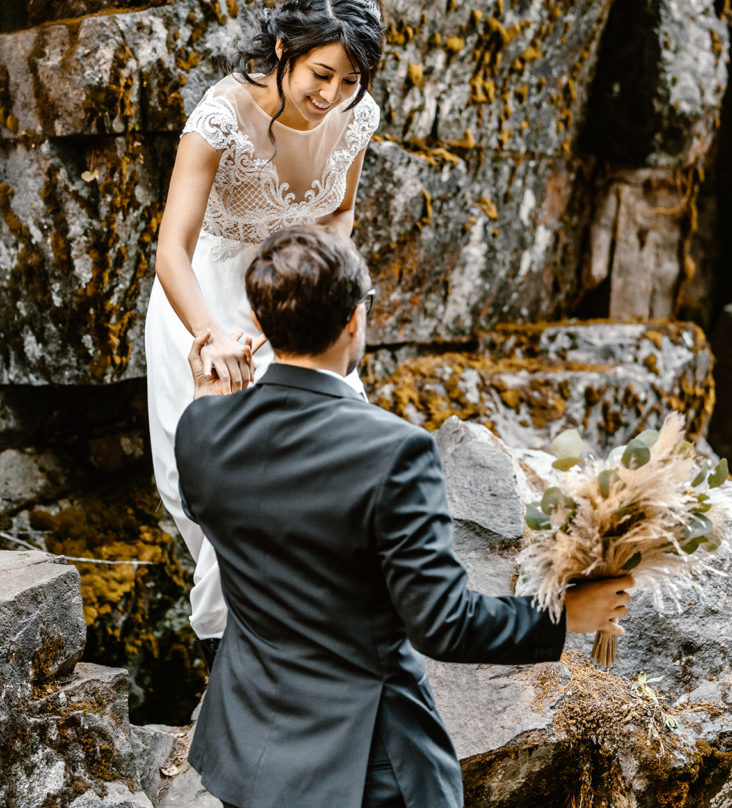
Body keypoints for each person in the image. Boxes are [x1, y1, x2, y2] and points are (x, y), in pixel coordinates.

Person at [176, 226, 634, 808]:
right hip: (365, 765)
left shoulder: (202, 427)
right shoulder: (397, 449)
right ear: (353, 321)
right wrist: (564, 615)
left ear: (261, 326)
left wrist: (206, 399)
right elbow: (443, 624)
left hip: (248, 753)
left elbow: (200, 501)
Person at [145, 0, 384, 657]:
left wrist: (318, 284)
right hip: (206, 300)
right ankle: (234, 662)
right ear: (284, 47)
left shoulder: (356, 118)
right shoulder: (219, 116)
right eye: (321, 73)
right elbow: (171, 248)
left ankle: (315, 647)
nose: (332, 95)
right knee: (225, 493)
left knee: (328, 467)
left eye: (350, 81)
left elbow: (339, 213)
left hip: (294, 300)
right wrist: (211, 334)